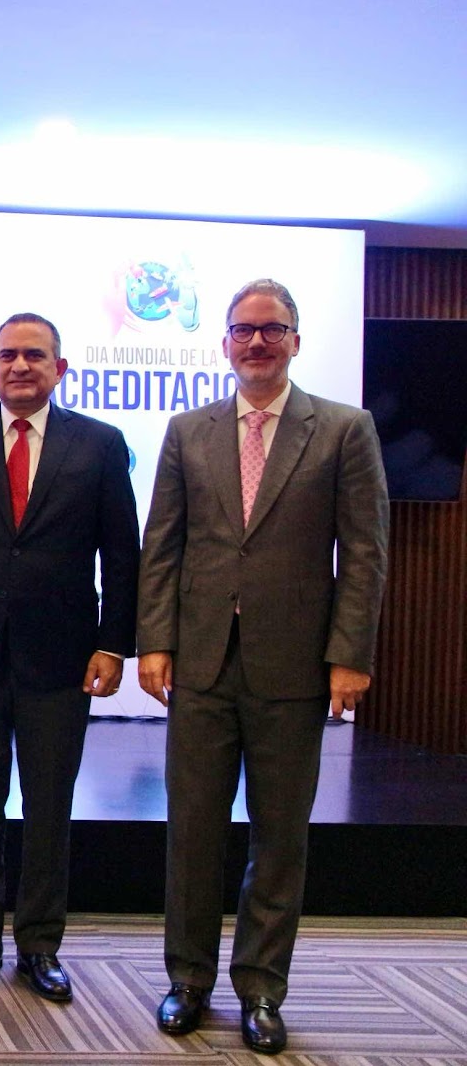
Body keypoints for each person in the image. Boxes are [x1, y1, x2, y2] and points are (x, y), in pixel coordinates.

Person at [138, 279, 389, 1055]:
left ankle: (261, 988)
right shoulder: (188, 430)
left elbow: (365, 553)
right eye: (244, 330)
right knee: (193, 831)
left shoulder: (344, 429)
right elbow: (163, 544)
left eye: (271, 329)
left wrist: (349, 656)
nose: (256, 342)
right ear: (224, 343)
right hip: (201, 662)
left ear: (295, 342)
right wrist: (155, 640)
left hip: (296, 666)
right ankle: (188, 978)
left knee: (279, 837)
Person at [0, 313, 139, 1002]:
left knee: (49, 807)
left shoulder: (100, 443)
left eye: (35, 355)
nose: (21, 366)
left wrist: (113, 643)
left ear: (60, 368)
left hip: (63, 657)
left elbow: (123, 552)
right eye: (8, 355)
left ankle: (41, 944)